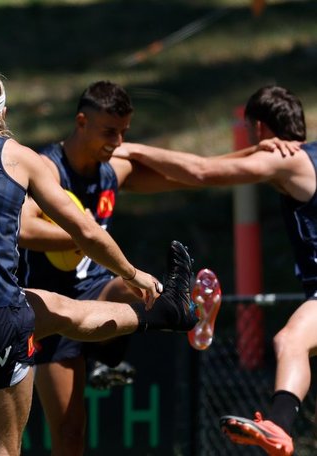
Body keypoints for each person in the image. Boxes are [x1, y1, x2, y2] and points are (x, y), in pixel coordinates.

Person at [0, 68, 198, 455]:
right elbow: (86, 232)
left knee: (60, 310)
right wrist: (132, 273)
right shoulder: (21, 158)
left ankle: (167, 313)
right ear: (1, 113)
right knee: (2, 448)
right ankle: (167, 313)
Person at [114, 85, 309, 456]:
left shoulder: (287, 160)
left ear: (259, 127)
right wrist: (255, 150)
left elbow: (204, 171)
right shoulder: (305, 157)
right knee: (290, 342)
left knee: (291, 342)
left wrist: (132, 149)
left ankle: (280, 429)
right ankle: (279, 429)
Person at [16, 80, 195, 455]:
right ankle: (103, 356)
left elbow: (202, 173)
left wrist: (260, 159)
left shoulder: (114, 169)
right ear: (81, 121)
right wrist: (83, 236)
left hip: (97, 289)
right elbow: (22, 229)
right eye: (109, 132)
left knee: (140, 288)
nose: (117, 142)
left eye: (124, 133)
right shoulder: (46, 168)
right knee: (69, 433)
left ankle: (109, 351)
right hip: (51, 309)